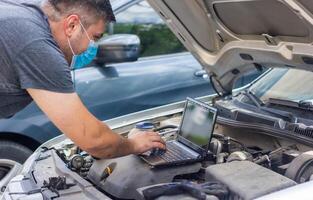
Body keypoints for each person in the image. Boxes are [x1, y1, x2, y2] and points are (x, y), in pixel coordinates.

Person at [0, 0, 165, 159]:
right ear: (72, 25)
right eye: (95, 37)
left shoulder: (19, 10)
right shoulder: (36, 45)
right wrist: (133, 144)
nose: (92, 46)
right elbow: (94, 140)